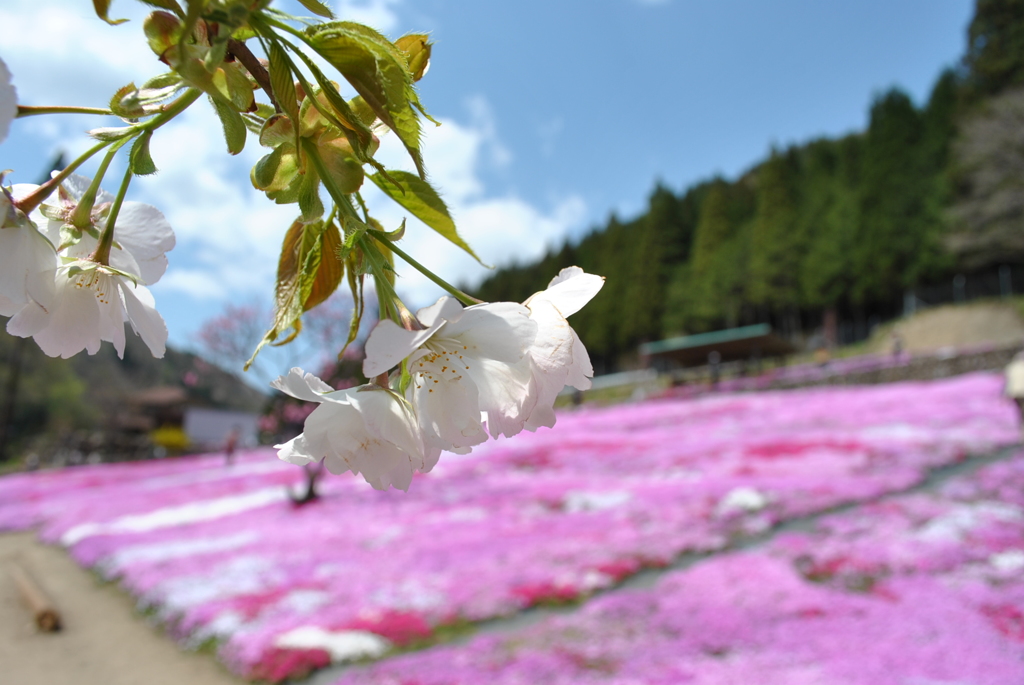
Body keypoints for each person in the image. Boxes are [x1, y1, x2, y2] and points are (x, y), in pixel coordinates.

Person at [1005, 350, 1024, 441]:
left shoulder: (1011, 367)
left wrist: (1007, 394)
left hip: (1015, 393)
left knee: (1020, 412)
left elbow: (1008, 382)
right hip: (1021, 392)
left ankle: (1021, 432)